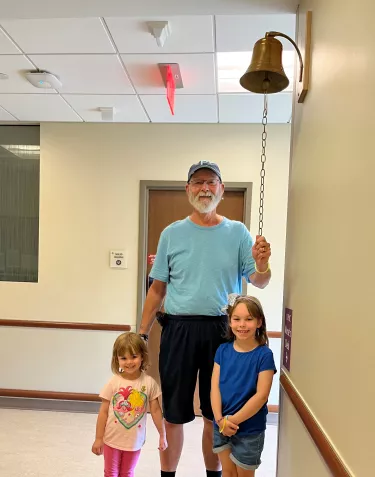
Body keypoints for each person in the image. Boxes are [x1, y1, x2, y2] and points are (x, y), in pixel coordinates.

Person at [138, 161, 272, 477]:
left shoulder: (237, 232)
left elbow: (259, 281)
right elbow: (157, 290)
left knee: (216, 414)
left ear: (221, 190)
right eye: (197, 182)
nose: (204, 188)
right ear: (188, 190)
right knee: (173, 414)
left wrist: (262, 263)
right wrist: (142, 333)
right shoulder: (171, 233)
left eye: (211, 182)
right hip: (179, 329)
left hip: (222, 331)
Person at [211, 294, 277, 477]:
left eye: (249, 319)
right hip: (221, 424)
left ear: (259, 322)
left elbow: (261, 396)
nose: (242, 325)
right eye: (237, 319)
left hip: (249, 430)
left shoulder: (264, 355)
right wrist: (219, 420)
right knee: (228, 472)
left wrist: (232, 421)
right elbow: (214, 387)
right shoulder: (222, 350)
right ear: (230, 322)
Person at [91, 332, 167, 477]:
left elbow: (156, 411)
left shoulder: (149, 383)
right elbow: (103, 412)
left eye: (134, 356)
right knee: (111, 473)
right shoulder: (113, 382)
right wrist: (99, 438)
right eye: (123, 358)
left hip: (134, 442)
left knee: (127, 473)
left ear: (142, 356)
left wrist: (162, 435)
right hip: (111, 439)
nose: (129, 362)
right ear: (117, 359)